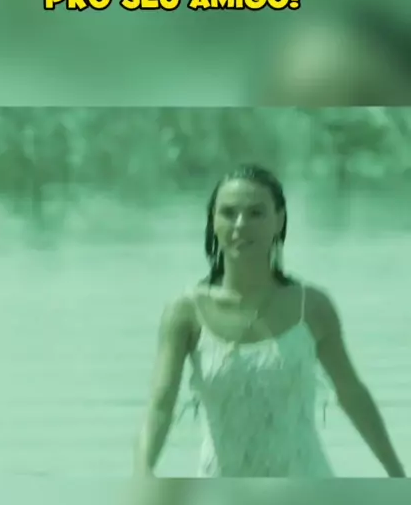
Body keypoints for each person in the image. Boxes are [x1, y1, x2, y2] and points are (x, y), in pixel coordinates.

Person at [135, 164, 405, 478]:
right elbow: (161, 404)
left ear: (279, 220)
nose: (240, 224)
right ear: (213, 221)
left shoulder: (312, 307)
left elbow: (352, 394)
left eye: (256, 213)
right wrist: (143, 469)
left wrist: (396, 473)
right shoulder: (186, 312)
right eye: (229, 213)